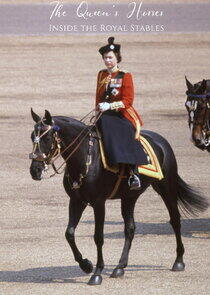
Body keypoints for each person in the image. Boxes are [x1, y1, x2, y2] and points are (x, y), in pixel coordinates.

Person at [95, 37, 148, 190]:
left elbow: (128, 101)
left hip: (122, 113)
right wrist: (98, 109)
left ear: (117, 58)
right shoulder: (101, 75)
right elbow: (98, 97)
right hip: (104, 113)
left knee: (121, 131)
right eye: (105, 58)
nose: (107, 60)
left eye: (110, 57)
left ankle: (133, 172)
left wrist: (110, 105)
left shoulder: (125, 75)